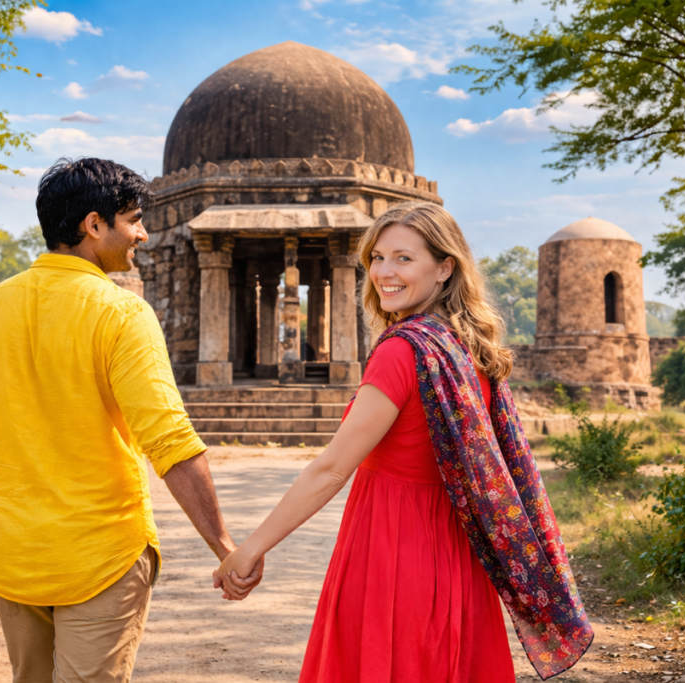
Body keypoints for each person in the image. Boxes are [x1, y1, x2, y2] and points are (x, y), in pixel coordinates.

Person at [214, 202, 592, 682]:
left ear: (445, 267)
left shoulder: (402, 351)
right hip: (458, 554)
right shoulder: (466, 347)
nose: (383, 273)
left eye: (403, 259)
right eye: (376, 257)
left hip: (394, 552)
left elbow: (332, 468)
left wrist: (250, 548)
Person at [0, 157, 263, 683]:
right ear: (93, 225)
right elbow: (170, 441)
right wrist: (225, 547)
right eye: (133, 219)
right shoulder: (121, 313)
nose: (143, 234)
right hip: (102, 557)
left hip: (17, 557)